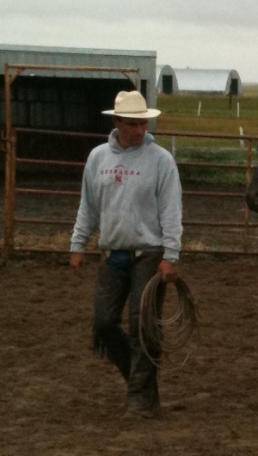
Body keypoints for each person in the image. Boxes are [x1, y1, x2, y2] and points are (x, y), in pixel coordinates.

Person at [70, 90, 183, 418]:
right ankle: (142, 385)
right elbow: (88, 205)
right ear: (117, 122)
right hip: (113, 252)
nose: (139, 130)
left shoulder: (161, 160)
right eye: (131, 124)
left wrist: (171, 254)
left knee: (142, 325)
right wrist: (78, 243)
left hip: (149, 253)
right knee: (104, 323)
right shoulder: (98, 158)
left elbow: (171, 209)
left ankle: (137, 397)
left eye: (142, 123)